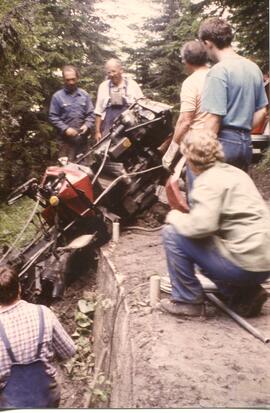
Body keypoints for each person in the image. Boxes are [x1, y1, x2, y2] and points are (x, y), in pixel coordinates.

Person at [160, 130, 270, 318]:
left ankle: (187, 301)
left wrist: (175, 216)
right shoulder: (236, 173)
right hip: (264, 262)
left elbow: (201, 228)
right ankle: (245, 295)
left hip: (243, 266)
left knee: (172, 233)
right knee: (207, 246)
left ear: (189, 159)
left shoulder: (207, 181)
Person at [0, 265, 76, 408]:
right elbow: (69, 351)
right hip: (47, 398)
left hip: (11, 404)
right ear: (19, 289)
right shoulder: (44, 313)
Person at [198, 17, 268, 171]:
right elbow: (262, 110)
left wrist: (201, 152)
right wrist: (242, 131)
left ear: (207, 42)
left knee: (206, 190)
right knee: (236, 191)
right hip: (245, 143)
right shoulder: (253, 68)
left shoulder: (218, 71)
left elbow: (213, 119)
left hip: (223, 143)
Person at [162, 40, 209, 170]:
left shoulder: (191, 82)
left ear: (186, 61)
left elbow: (185, 121)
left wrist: (170, 154)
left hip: (198, 145)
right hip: (218, 141)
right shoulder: (217, 76)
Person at [49, 65, 95, 161]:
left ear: (77, 78)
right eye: (68, 80)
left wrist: (87, 125)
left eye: (73, 79)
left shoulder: (84, 95)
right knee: (66, 172)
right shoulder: (57, 97)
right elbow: (53, 116)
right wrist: (65, 129)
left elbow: (91, 114)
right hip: (65, 143)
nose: (71, 82)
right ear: (64, 80)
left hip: (83, 142)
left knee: (86, 171)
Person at [94, 58, 144, 141]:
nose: (111, 75)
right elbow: (98, 112)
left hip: (130, 128)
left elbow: (142, 105)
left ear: (121, 70)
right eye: (109, 72)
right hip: (109, 130)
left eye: (114, 71)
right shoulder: (103, 87)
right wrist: (97, 132)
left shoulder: (132, 85)